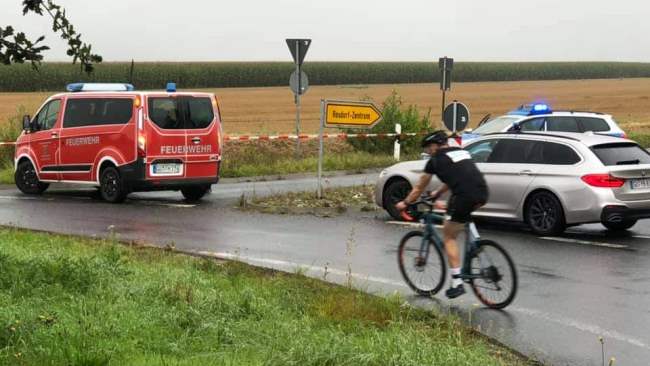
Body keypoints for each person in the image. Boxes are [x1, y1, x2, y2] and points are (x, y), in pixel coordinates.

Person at [395, 130, 489, 299]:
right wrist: (437, 193)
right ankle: (476, 243)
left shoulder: (435, 160)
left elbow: (418, 188)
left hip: (463, 196)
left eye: (428, 148)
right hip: (482, 192)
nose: (428, 152)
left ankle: (456, 283)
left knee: (449, 236)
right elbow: (455, 177)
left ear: (434, 146)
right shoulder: (461, 152)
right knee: (458, 216)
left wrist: (405, 203)